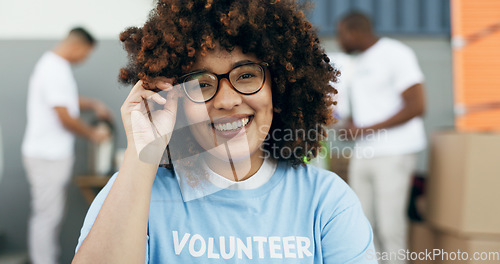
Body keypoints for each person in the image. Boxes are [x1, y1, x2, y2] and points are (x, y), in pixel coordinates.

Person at [73, 1, 377, 263]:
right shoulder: (133, 190)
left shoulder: (326, 201)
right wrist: (143, 152)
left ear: (280, 87)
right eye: (202, 83)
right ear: (173, 97)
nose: (228, 101)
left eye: (246, 75)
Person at [335, 12, 426, 263]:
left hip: (394, 152)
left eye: (340, 34)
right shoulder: (356, 62)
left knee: (390, 227)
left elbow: (417, 105)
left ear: (353, 32)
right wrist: (352, 126)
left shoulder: (395, 54)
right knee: (361, 224)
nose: (338, 40)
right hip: (364, 152)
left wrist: (364, 129)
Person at [21, 27, 111, 264]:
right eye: (86, 53)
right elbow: (63, 115)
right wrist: (93, 134)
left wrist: (91, 103)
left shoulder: (53, 66)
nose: (85, 59)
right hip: (47, 156)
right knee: (47, 216)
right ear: (77, 46)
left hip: (47, 154)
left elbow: (63, 100)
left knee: (49, 215)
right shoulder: (54, 69)